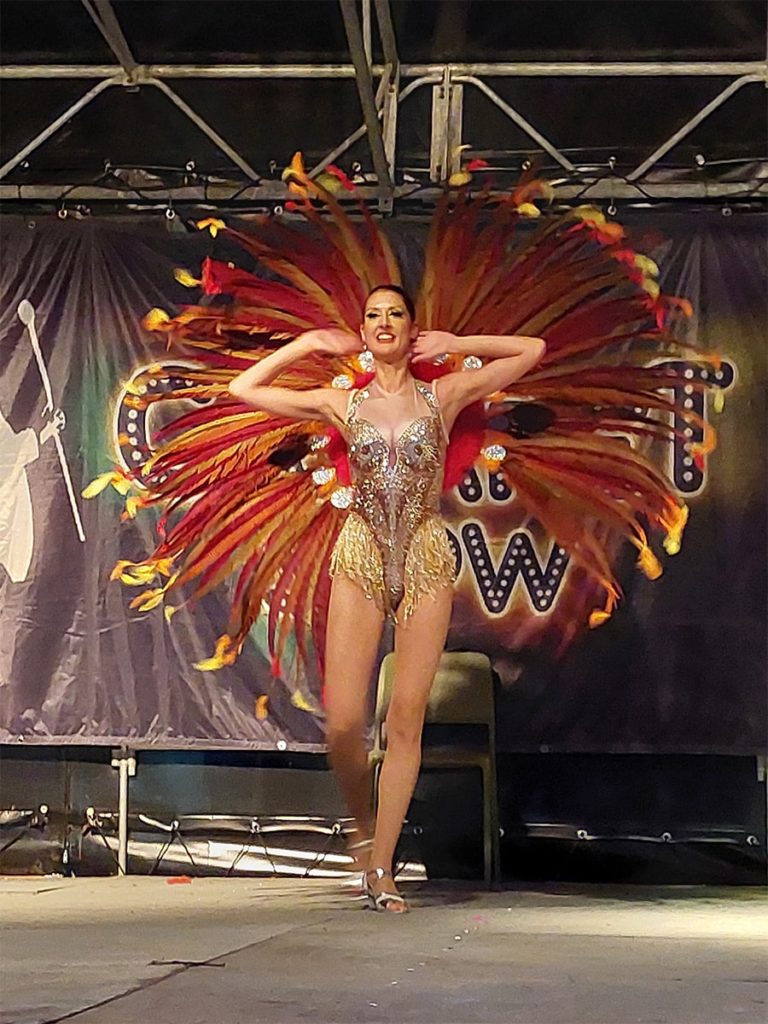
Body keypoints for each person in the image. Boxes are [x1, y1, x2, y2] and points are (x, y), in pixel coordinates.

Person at [229, 284, 545, 912]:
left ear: (410, 327)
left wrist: (460, 345)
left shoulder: (444, 393)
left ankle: (381, 869)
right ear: (364, 331)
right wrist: (309, 343)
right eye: (372, 315)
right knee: (345, 722)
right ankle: (363, 830)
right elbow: (245, 390)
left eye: (394, 314)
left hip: (426, 557)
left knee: (404, 723)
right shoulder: (339, 402)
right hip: (362, 556)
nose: (382, 323)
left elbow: (532, 349)